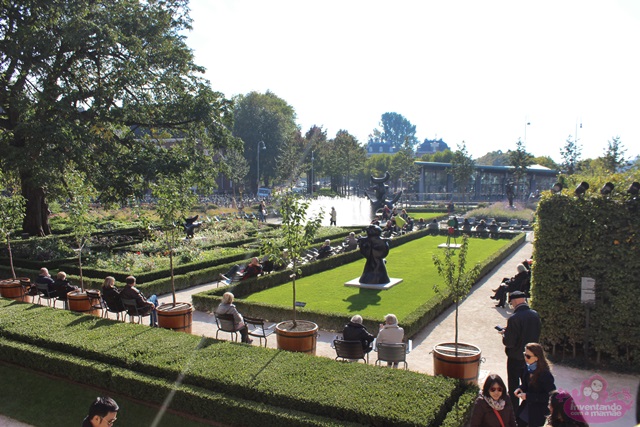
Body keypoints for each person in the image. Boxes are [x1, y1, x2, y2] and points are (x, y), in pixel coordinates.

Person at [500, 291, 541, 411]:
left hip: (515, 358)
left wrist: (504, 335)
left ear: (515, 301)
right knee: (528, 385)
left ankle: (514, 413)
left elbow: (509, 342)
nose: (512, 305)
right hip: (532, 358)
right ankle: (527, 411)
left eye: (511, 302)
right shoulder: (535, 315)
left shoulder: (514, 318)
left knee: (514, 386)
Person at [514, 343, 556, 427]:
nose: (525, 358)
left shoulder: (546, 375)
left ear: (537, 358)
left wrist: (528, 396)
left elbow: (550, 396)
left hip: (538, 412)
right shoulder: (527, 368)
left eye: (528, 356)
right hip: (526, 408)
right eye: (524, 355)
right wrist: (519, 388)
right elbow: (525, 385)